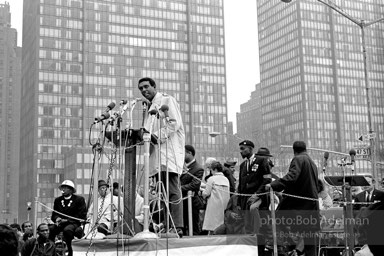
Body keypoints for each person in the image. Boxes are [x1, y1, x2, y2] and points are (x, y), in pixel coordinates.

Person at [138, 77, 185, 236]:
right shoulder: (148, 108)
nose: (144, 91)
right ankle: (167, 224)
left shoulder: (167, 99)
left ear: (154, 86)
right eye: (141, 89)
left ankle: (177, 226)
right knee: (162, 192)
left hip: (169, 152)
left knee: (172, 190)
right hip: (156, 156)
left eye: (146, 87)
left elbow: (174, 123)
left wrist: (157, 136)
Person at [266, 141, 320, 256]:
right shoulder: (312, 163)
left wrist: (274, 185)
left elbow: (292, 177)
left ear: (294, 151)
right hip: (311, 205)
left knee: (278, 218)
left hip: (300, 204)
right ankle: (296, 248)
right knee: (310, 238)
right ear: (305, 149)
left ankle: (291, 245)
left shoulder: (298, 159)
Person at [237, 142, 272, 235]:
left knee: (258, 220)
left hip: (259, 197)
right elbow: (241, 184)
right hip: (245, 198)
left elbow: (267, 179)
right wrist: (239, 202)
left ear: (250, 149)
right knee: (247, 224)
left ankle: (262, 239)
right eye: (240, 149)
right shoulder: (242, 165)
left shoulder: (261, 161)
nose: (241, 151)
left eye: (243, 148)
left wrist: (257, 194)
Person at [49, 180, 87, 256]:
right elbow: (54, 214)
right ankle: (51, 250)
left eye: (66, 188)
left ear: (71, 190)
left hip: (74, 223)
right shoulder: (58, 200)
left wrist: (66, 220)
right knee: (50, 229)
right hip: (60, 224)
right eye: (63, 187)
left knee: (67, 230)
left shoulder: (79, 199)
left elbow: (81, 215)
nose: (63, 189)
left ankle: (71, 251)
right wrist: (57, 219)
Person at [201, 161, 230, 234]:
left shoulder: (211, 179)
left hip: (213, 205)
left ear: (215, 169)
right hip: (224, 205)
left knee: (212, 226)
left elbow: (206, 193)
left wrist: (202, 192)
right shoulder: (226, 179)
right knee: (221, 225)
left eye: (211, 170)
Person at [180, 145, 204, 235]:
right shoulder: (180, 166)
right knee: (183, 226)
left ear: (190, 153)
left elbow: (194, 185)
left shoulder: (198, 168)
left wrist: (178, 189)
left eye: (183, 153)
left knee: (193, 227)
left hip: (192, 202)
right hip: (181, 202)